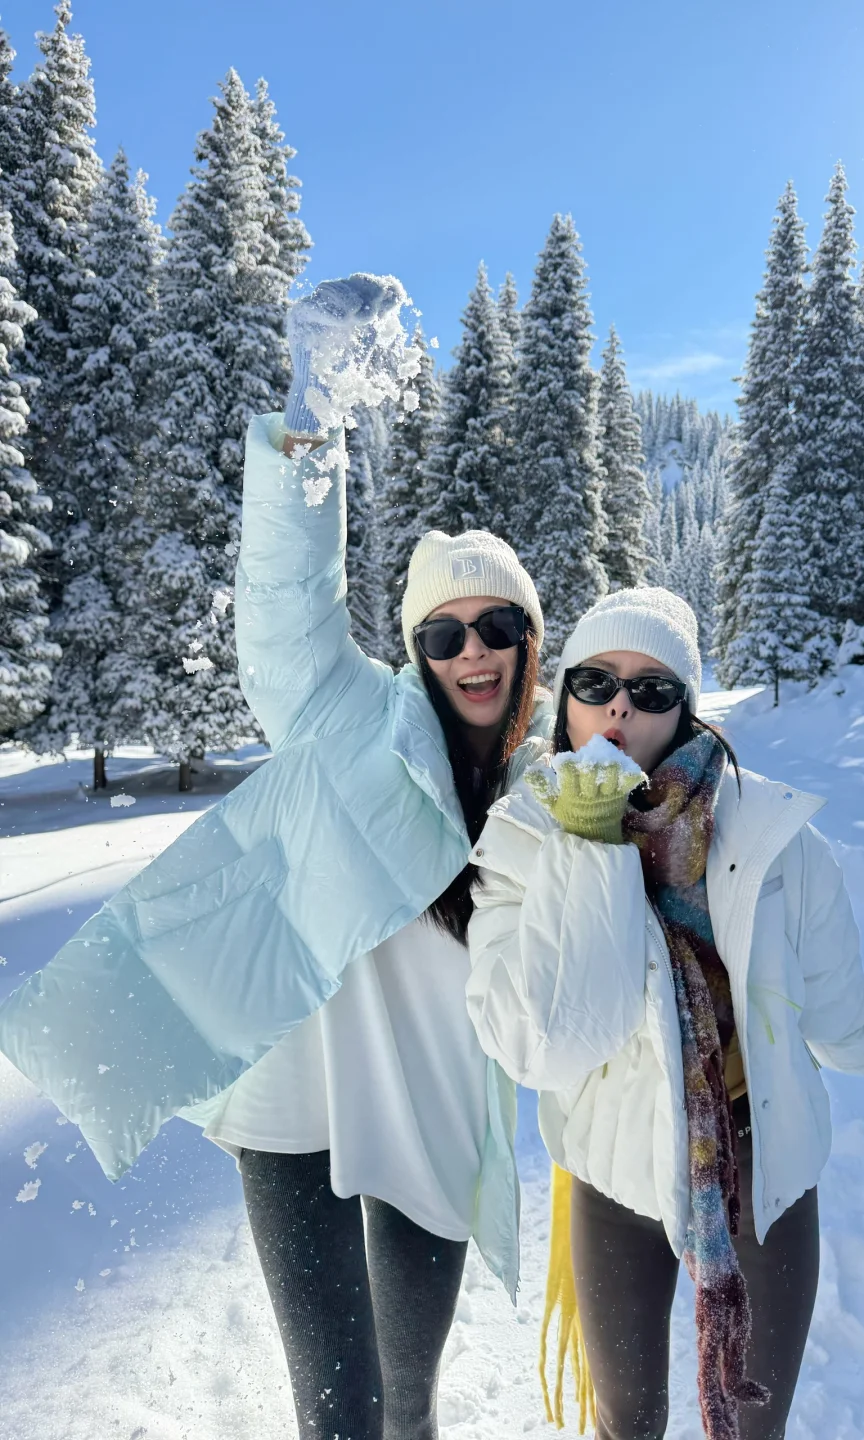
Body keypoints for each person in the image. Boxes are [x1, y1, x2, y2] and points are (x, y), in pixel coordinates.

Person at [0, 275, 550, 1440]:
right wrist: (315, 416)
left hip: (429, 1129)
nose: (471, 652)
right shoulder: (351, 716)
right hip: (292, 1117)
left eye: (497, 626)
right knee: (338, 1416)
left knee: (409, 1408)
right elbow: (287, 611)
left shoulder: (544, 798)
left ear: (528, 645)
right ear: (416, 649)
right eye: (443, 632)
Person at [465, 587, 864, 1440]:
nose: (621, 703)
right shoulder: (521, 839)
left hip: (763, 1160)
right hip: (614, 1165)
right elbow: (546, 1045)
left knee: (753, 1426)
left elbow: (835, 994)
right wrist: (589, 846)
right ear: (567, 700)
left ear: (687, 712)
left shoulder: (776, 834)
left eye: (653, 688)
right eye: (595, 681)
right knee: (626, 1422)